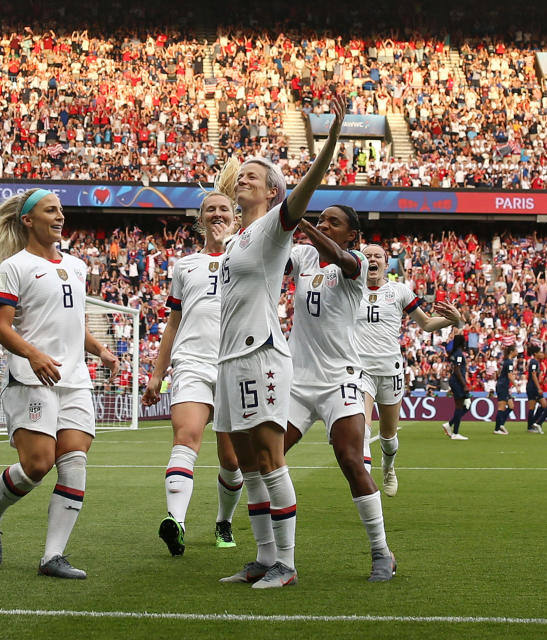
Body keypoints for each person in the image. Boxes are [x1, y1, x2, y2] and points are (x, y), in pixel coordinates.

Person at [216, 94, 347, 589]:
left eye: (253, 175)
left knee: (270, 457)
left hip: (260, 354)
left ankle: (287, 565)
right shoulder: (233, 240)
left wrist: (330, 142)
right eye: (241, 175)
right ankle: (263, 557)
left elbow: (307, 189)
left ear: (272, 191)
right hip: (228, 359)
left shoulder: (275, 228)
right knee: (247, 464)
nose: (243, 179)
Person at [0, 188, 118, 579]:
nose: (60, 216)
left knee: (74, 463)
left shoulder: (76, 266)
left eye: (61, 210)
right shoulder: (14, 267)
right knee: (37, 465)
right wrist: (33, 355)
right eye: (50, 210)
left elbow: (73, 323)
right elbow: (1, 328)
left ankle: (52, 557)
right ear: (28, 220)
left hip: (74, 379)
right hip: (31, 377)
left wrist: (99, 350)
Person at [282, 205, 396, 581]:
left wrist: (294, 216)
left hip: (340, 380)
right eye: (320, 219)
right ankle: (273, 558)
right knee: (264, 458)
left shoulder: (356, 263)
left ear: (352, 236)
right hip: (297, 383)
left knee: (350, 460)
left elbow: (334, 254)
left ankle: (381, 552)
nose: (323, 224)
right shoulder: (302, 256)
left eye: (334, 222)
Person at [143, 168, 243, 556]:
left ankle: (223, 521)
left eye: (223, 209)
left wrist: (232, 243)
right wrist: (156, 372)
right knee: (185, 438)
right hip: (192, 363)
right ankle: (176, 522)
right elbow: (173, 322)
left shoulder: (247, 253)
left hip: (236, 363)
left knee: (231, 458)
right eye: (210, 210)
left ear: (234, 217)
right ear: (200, 219)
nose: (216, 214)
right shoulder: (185, 266)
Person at [359, 243, 462, 493]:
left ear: (387, 262)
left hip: (390, 369)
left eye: (377, 256)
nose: (372, 259)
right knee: (360, 430)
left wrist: (454, 319)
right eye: (367, 255)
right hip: (359, 370)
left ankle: (388, 466)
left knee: (388, 438)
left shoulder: (399, 291)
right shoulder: (350, 288)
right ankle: (365, 486)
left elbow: (426, 324)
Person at [442, 334, 470, 440]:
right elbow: (457, 370)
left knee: (465, 406)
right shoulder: (458, 354)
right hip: (457, 382)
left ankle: (450, 424)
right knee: (461, 406)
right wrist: (464, 385)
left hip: (456, 381)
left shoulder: (455, 353)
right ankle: (455, 433)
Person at [492, 345, 517, 435]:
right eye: (516, 350)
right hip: (502, 386)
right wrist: (516, 386)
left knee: (511, 406)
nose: (517, 352)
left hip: (504, 385)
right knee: (501, 407)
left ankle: (501, 424)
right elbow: (510, 375)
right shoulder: (509, 362)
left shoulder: (507, 361)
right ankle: (497, 428)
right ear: (511, 352)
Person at [525, 345, 545, 433]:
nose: (542, 354)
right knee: (532, 407)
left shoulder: (536, 362)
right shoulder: (534, 362)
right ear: (535, 354)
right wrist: (538, 387)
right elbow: (533, 374)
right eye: (540, 352)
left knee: (544, 405)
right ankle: (530, 427)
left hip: (533, 386)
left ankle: (533, 423)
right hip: (532, 387)